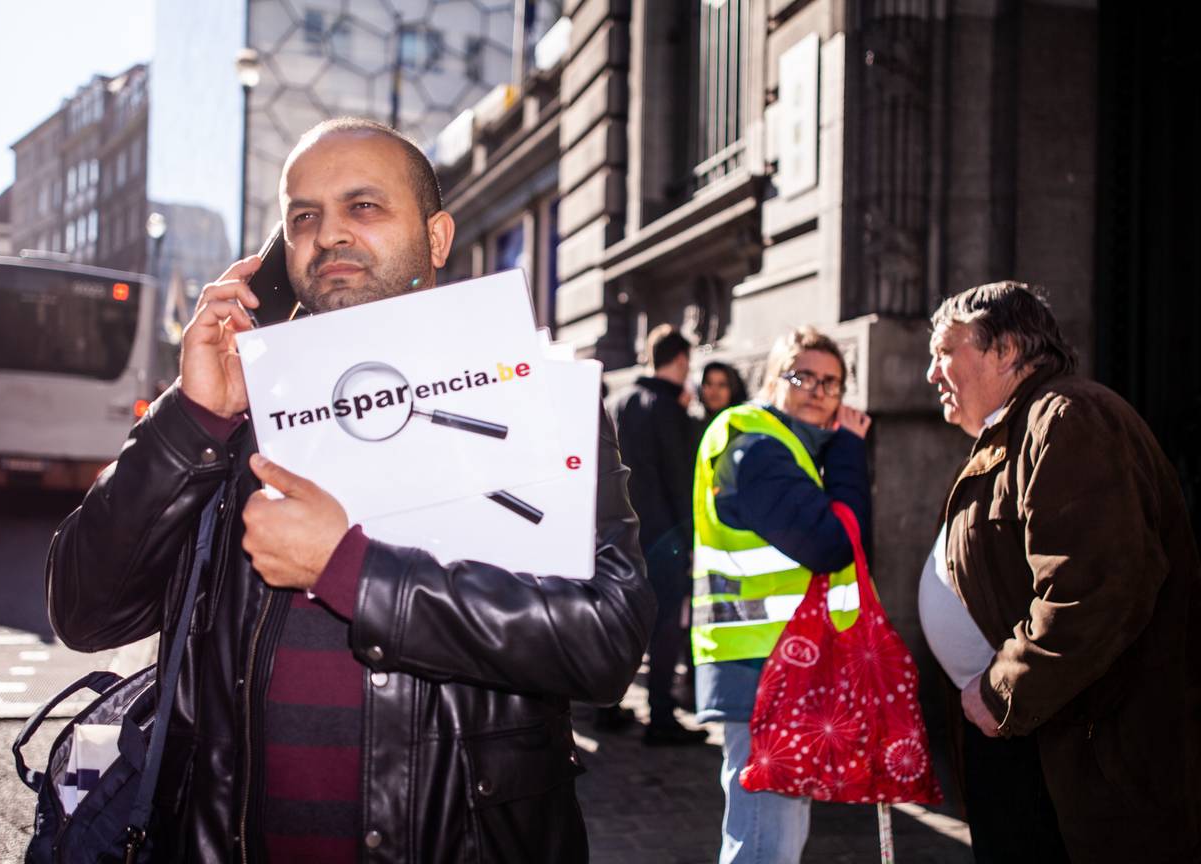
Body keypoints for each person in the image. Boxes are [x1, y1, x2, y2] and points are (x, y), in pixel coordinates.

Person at [45, 117, 654, 863]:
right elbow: (83, 611)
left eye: (363, 206)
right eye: (304, 216)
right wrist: (193, 415)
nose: (328, 233)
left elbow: (607, 641)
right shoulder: (231, 419)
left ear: (435, 239)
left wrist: (351, 570)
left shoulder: (538, 397)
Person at [925, 281, 1201, 864]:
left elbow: (1096, 590)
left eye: (943, 351)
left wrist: (1004, 691)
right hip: (1028, 739)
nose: (931, 373)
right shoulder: (1012, 429)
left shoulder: (1069, 418)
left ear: (1004, 351)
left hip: (1078, 752)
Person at [692, 326, 872, 863]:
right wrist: (849, 453)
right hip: (763, 674)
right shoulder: (759, 450)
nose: (818, 391)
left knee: (771, 838)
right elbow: (833, 544)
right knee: (765, 846)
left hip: (777, 670)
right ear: (773, 380)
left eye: (832, 382)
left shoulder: (786, 448)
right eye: (803, 376)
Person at [606, 324, 707, 744]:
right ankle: (661, 716)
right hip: (664, 537)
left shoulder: (618, 402)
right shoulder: (666, 409)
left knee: (619, 621)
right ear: (681, 360)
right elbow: (680, 479)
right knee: (666, 625)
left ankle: (607, 705)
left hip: (616, 534)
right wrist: (690, 540)